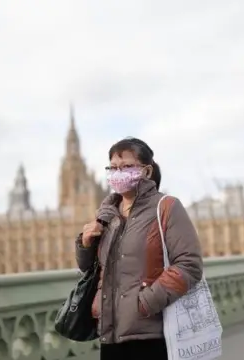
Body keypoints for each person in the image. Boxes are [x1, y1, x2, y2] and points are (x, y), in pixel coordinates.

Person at [75, 137, 204, 360]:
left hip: (151, 334)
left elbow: (189, 265)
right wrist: (85, 245)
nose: (118, 172)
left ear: (146, 170)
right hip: (111, 334)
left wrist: (144, 304)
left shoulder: (166, 207)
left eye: (126, 166)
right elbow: (90, 269)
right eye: (113, 167)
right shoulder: (107, 215)